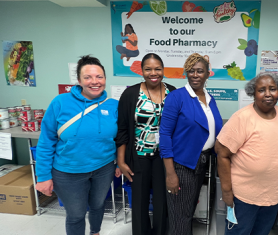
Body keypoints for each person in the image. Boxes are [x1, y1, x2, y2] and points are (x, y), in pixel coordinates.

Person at [35, 55, 121, 235]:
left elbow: (120, 138)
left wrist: (119, 162)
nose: (94, 82)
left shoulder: (113, 105)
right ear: (79, 80)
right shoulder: (60, 102)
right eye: (88, 77)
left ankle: (95, 232)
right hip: (68, 172)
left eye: (99, 77)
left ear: (105, 79)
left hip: (103, 168)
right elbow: (46, 141)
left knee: (98, 206)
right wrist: (43, 176)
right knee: (76, 214)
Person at [215, 73, 278, 234]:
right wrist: (226, 192)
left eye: (272, 89)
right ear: (253, 93)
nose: (268, 94)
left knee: (262, 232)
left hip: (275, 194)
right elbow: (222, 153)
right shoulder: (242, 117)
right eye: (261, 90)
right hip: (245, 197)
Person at [159, 53, 223, 235]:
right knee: (180, 216)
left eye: (200, 71)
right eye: (191, 71)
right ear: (186, 73)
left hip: (202, 162)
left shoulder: (210, 99)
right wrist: (170, 173)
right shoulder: (177, 97)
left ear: (207, 74)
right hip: (181, 165)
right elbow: (164, 134)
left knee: (187, 212)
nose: (195, 75)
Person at [116, 53, 176, 235]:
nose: (153, 73)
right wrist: (121, 161)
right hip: (139, 156)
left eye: (157, 68)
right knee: (140, 202)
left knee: (162, 201)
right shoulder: (130, 94)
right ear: (141, 71)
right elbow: (123, 130)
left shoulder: (172, 92)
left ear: (163, 70)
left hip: (163, 157)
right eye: (148, 69)